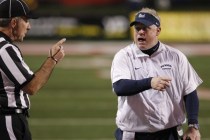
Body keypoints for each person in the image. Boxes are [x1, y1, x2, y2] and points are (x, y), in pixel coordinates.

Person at [111, 7, 202, 140]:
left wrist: (193, 125)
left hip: (170, 134)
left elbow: (190, 91)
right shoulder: (124, 56)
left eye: (145, 28)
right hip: (133, 135)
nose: (140, 32)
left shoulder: (176, 56)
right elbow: (120, 87)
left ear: (158, 30)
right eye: (137, 28)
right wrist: (149, 82)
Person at [0, 0, 66, 139]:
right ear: (13, 23)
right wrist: (52, 59)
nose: (29, 26)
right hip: (8, 120)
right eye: (26, 20)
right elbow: (32, 86)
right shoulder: (5, 49)